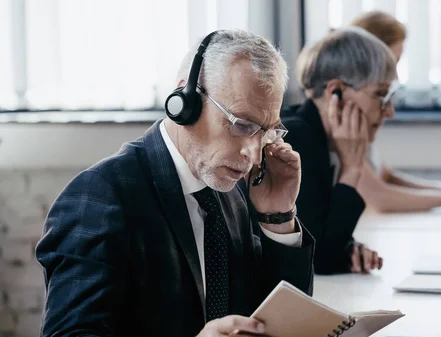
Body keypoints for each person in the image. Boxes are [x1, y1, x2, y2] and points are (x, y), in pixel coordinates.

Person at [35, 29, 314, 337]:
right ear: (186, 100)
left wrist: (278, 217)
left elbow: (273, 320)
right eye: (242, 125)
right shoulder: (100, 197)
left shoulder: (232, 189)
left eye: (266, 130)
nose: (254, 153)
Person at [349, 10, 441, 213]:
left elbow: (386, 176)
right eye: (393, 63)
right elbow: (381, 198)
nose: (396, 75)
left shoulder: (366, 116)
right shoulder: (344, 119)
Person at [281, 27, 395, 275]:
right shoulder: (296, 139)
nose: (389, 110)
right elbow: (317, 258)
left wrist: (348, 247)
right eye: (381, 95)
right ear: (336, 91)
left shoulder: (319, 137)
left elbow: (315, 235)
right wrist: (352, 169)